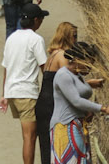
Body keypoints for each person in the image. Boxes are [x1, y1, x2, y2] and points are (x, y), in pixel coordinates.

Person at [48, 44, 109, 164]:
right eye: (88, 64)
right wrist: (104, 109)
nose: (90, 68)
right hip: (65, 126)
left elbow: (75, 89)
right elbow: (76, 101)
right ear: (78, 60)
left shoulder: (77, 75)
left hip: (77, 126)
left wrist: (90, 84)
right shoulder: (63, 75)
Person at [0, 4, 50, 164]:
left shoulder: (11, 38)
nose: (41, 22)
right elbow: (45, 68)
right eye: (41, 18)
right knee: (30, 137)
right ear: (36, 20)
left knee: (27, 135)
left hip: (12, 92)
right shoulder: (36, 39)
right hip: (27, 94)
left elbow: (6, 67)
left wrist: (4, 94)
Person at [36, 23, 78, 164]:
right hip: (51, 105)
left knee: (45, 147)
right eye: (74, 36)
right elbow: (70, 83)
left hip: (43, 103)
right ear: (66, 37)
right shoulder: (62, 56)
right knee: (54, 146)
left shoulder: (53, 54)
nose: (76, 40)